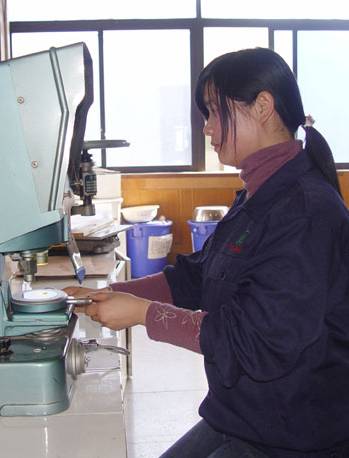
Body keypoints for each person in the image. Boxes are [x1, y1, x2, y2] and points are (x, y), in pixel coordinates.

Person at [64, 47, 349, 457]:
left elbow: (254, 341)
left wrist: (143, 314)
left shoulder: (305, 214)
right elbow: (197, 276)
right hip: (243, 417)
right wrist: (112, 293)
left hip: (293, 436)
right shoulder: (258, 197)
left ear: (263, 106)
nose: (207, 127)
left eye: (215, 112)